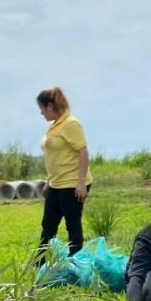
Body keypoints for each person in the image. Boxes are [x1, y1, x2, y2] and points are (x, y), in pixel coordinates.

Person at [36, 87, 89, 258]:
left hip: (72, 183)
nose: (41, 113)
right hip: (55, 184)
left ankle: (76, 263)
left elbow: (83, 152)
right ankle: (40, 263)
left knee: (72, 226)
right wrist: (48, 181)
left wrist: (80, 183)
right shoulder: (55, 126)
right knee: (48, 224)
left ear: (50, 106)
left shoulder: (70, 124)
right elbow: (56, 155)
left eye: (42, 108)